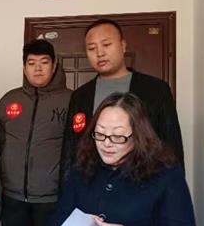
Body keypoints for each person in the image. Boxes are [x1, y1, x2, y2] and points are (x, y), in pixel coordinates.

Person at [52, 92, 199, 226]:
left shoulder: (166, 174)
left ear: (138, 136)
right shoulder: (82, 167)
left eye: (118, 137)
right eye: (100, 134)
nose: (107, 143)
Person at [61, 18, 184, 185]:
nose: (99, 53)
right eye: (92, 48)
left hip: (143, 185)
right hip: (92, 186)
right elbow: (70, 149)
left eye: (106, 44)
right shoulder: (80, 95)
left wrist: (174, 189)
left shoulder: (156, 90)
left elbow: (172, 145)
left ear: (123, 46)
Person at [0, 39, 71, 226]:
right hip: (13, 198)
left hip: (52, 200)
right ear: (24, 67)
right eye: (31, 63)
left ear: (54, 66)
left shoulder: (71, 100)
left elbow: (77, 149)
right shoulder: (9, 100)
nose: (37, 68)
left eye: (44, 62)